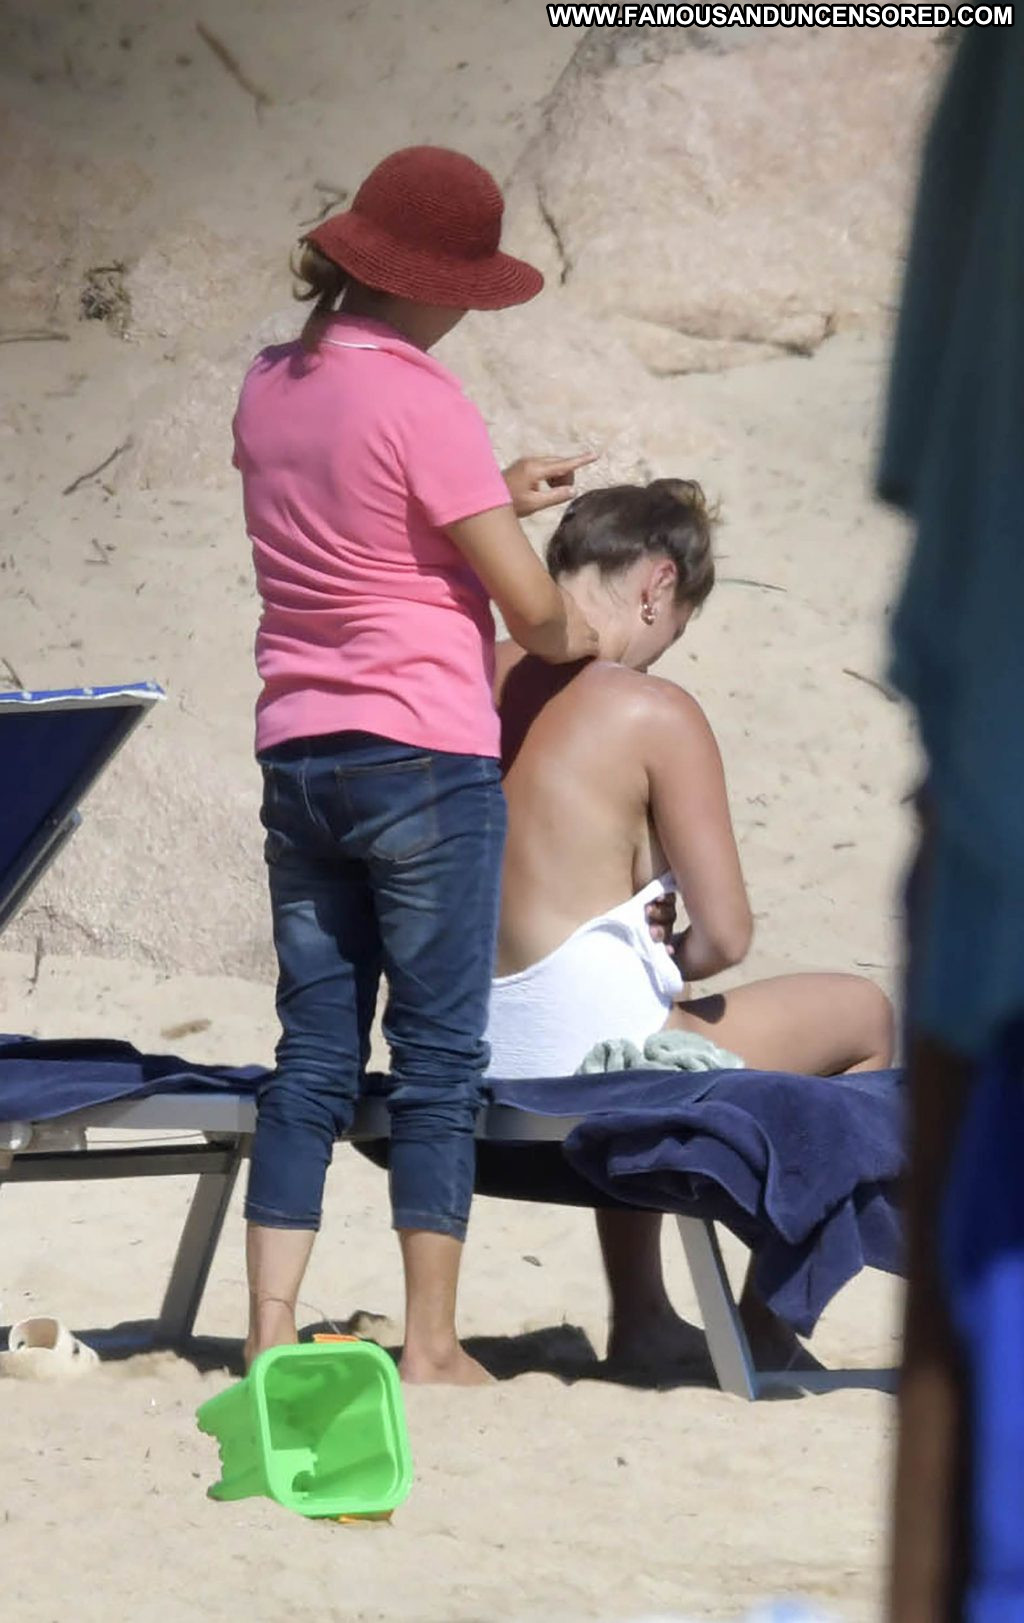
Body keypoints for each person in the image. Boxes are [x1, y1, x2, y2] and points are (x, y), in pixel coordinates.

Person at [231, 145, 598, 1385]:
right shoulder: (424, 398)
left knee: (312, 1053)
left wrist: (489, 493)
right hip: (424, 754)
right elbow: (530, 610)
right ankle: (431, 1343)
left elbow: (353, 511)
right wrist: (575, 635)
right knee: (438, 1056)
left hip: (300, 745)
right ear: (434, 284)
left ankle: (268, 1330)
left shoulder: (269, 383)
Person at [486, 477, 894, 1370]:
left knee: (633, 1012)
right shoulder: (651, 710)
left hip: (471, 1054)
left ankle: (643, 1313)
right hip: (593, 1062)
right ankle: (767, 1317)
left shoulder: (476, 672)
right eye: (678, 625)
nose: (666, 647)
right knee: (864, 1013)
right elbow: (727, 935)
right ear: (658, 584)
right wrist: (674, 946)